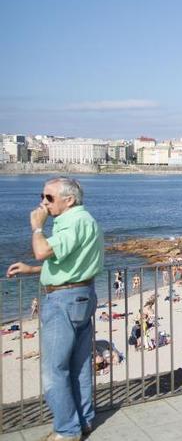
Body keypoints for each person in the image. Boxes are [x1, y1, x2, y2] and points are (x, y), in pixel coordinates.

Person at [6, 177, 103, 441]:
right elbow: (72, 266)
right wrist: (33, 271)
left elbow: (42, 251)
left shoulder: (73, 221)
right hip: (82, 294)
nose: (43, 202)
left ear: (68, 200)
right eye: (43, 196)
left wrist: (37, 228)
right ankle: (83, 421)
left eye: (49, 197)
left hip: (64, 300)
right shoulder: (85, 221)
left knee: (54, 370)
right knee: (80, 365)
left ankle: (66, 430)